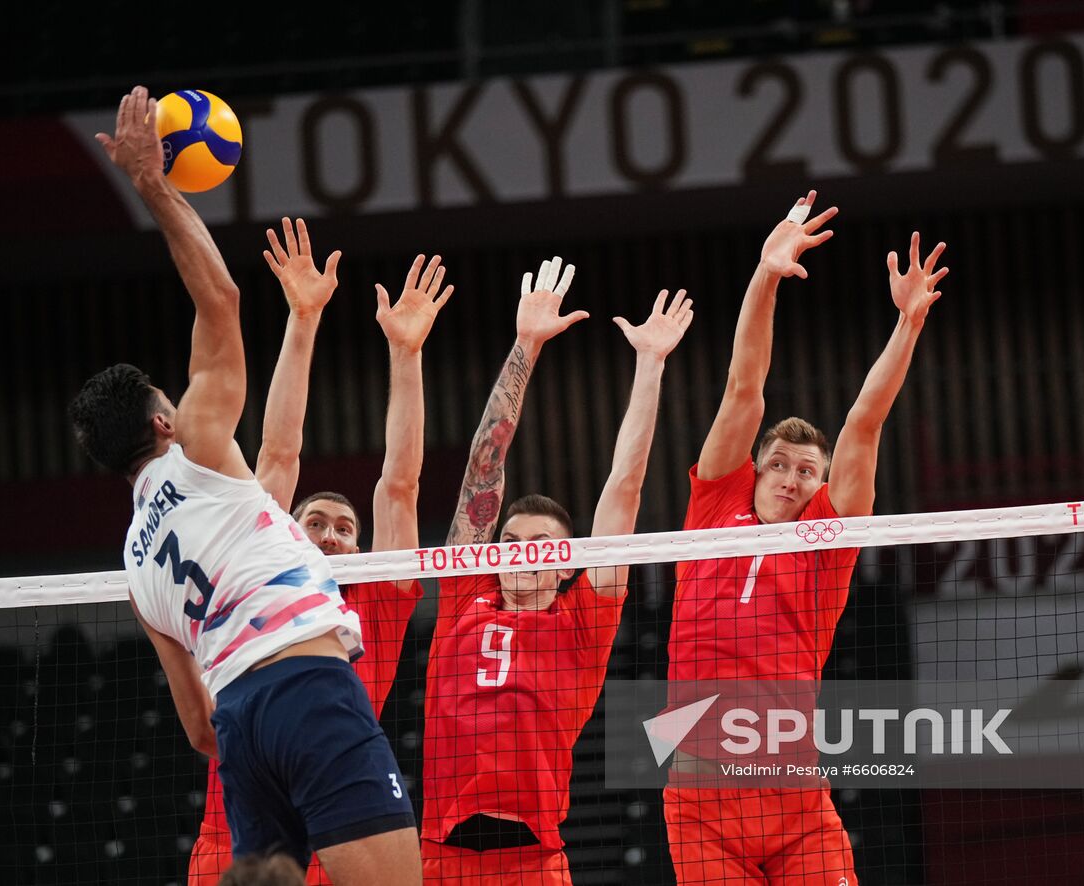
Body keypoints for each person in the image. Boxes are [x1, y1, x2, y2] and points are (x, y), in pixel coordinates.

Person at [69, 87, 419, 886]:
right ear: (165, 423)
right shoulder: (196, 452)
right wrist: (156, 187)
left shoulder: (135, 563)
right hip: (307, 687)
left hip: (238, 727)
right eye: (175, 400)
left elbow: (197, 726)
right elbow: (221, 299)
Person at [663, 190, 948, 886]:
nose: (792, 477)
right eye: (781, 463)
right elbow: (743, 386)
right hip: (699, 792)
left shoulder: (826, 537)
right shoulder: (713, 502)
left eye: (807, 470)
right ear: (754, 467)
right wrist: (766, 275)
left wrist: (907, 324)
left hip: (794, 793)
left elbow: (864, 424)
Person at [189, 221, 452, 885]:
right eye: (315, 522)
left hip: (343, 831)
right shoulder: (256, 568)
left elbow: (400, 483)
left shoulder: (375, 608)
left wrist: (407, 354)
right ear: (285, 530)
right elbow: (278, 454)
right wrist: (303, 317)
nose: (332, 534)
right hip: (239, 834)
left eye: (345, 528)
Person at [422, 258, 695, 884]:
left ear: (567, 565)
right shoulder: (467, 594)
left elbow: (623, 490)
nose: (519, 551)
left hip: (534, 862)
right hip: (439, 858)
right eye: (510, 540)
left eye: (541, 544)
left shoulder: (583, 620)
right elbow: (483, 466)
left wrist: (650, 366)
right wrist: (524, 346)